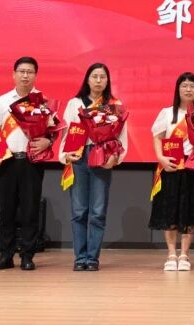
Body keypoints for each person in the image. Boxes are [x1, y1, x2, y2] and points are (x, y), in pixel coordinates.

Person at [0, 56, 56, 271]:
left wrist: (48, 142)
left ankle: (28, 255)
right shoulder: (2, 101)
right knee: (6, 211)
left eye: (30, 72)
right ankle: (5, 255)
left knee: (30, 210)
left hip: (31, 162)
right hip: (6, 162)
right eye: (21, 71)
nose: (25, 75)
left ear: (35, 75)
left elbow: (53, 132)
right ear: (14, 74)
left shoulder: (42, 101)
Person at [58, 63, 127, 271]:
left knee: (97, 211)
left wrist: (116, 157)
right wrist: (65, 155)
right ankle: (80, 258)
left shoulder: (114, 104)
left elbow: (121, 135)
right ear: (87, 79)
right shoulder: (74, 103)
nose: (98, 80)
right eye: (94, 76)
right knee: (79, 211)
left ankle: (92, 258)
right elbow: (66, 133)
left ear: (107, 80)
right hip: (79, 157)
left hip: (102, 157)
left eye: (102, 77)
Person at [149, 72, 194, 271]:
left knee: (190, 211)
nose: (188, 89)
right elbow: (157, 136)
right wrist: (160, 157)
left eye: (192, 86)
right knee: (170, 211)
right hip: (172, 165)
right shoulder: (167, 113)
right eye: (184, 86)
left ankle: (184, 254)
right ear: (178, 89)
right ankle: (171, 254)